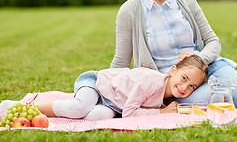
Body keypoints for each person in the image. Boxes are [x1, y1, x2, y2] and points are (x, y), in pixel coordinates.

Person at [111, 0, 237, 108]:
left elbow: (213, 42)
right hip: (177, 86)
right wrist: (105, 88)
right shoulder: (128, 11)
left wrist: (197, 59)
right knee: (222, 95)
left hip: (208, 66)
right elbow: (121, 62)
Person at [0, 55, 208, 120]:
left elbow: (123, 112)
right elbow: (129, 113)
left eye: (192, 86)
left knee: (94, 118)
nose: (184, 87)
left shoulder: (169, 98)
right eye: (183, 78)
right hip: (98, 84)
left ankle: (62, 108)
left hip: (112, 103)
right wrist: (160, 112)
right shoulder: (152, 81)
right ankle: (18, 107)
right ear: (173, 70)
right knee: (79, 108)